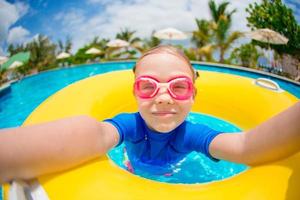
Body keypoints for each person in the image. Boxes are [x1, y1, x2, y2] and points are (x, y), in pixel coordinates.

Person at [0, 45, 299, 184]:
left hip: (174, 174)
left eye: (179, 87)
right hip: (131, 166)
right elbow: (95, 134)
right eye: (148, 86)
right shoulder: (131, 124)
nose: (164, 97)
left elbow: (247, 146)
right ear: (135, 93)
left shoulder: (191, 133)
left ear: (193, 96)